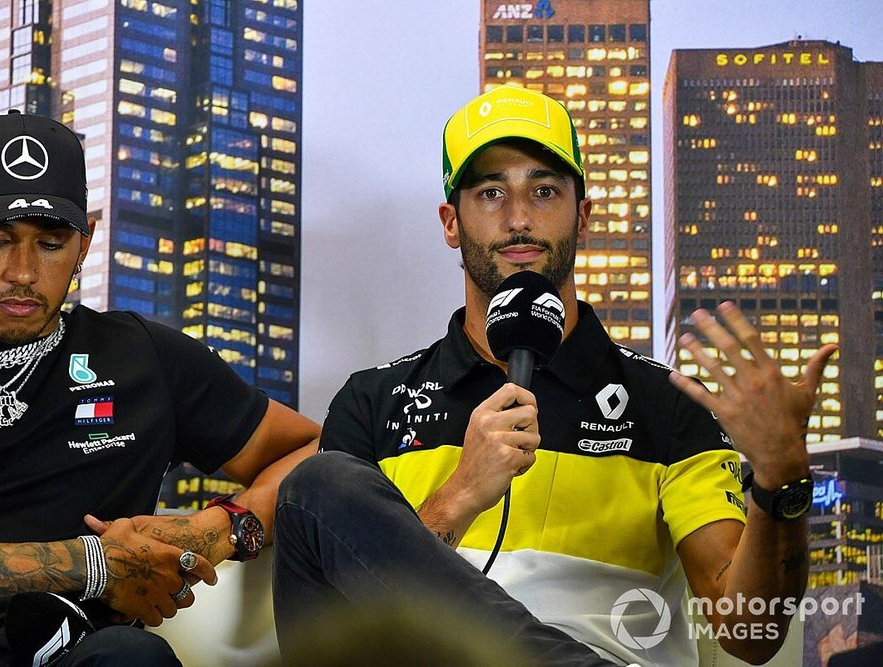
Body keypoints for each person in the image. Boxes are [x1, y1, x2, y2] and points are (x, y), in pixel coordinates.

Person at [272, 86, 835, 666]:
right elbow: (339, 637)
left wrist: (780, 480)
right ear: (450, 222)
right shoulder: (374, 402)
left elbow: (750, 634)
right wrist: (462, 495)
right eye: (491, 193)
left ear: (582, 215)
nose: (518, 219)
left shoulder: (666, 405)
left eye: (544, 191)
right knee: (316, 488)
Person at [0, 110, 319, 666]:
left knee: (131, 656)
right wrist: (92, 565)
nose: (22, 271)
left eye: (50, 243)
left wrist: (222, 527)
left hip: (88, 653)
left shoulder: (141, 356)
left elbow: (317, 455)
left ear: (84, 243)